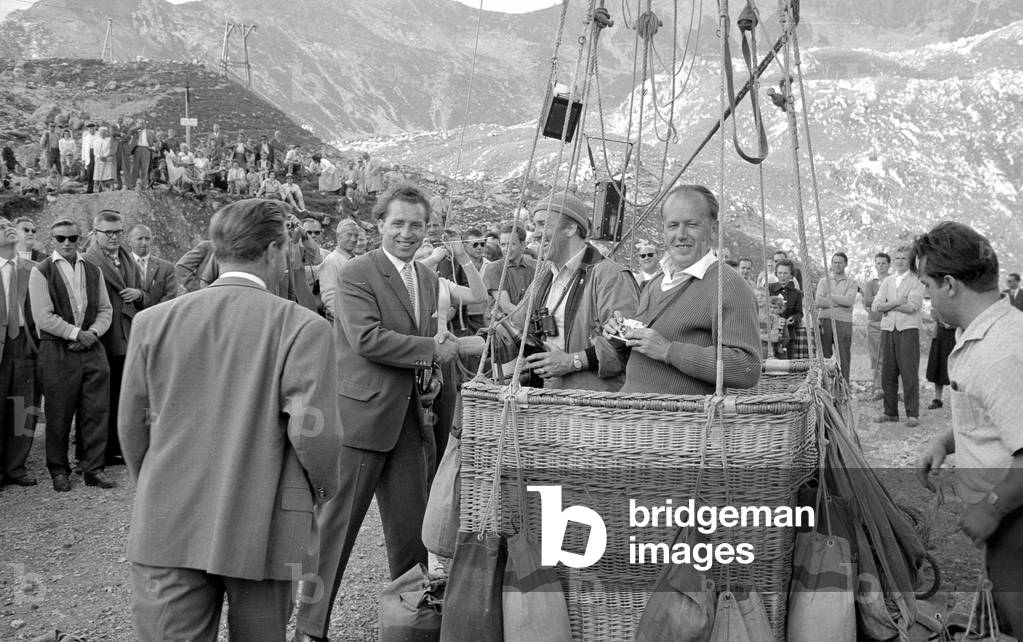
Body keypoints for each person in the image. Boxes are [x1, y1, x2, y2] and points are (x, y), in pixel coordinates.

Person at [119, 199, 342, 642]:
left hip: (168, 521)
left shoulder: (151, 322)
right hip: (265, 523)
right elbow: (314, 433)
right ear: (275, 250)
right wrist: (320, 491)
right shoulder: (302, 326)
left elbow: (132, 426)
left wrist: (156, 484)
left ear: (217, 249)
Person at [293, 185, 459, 642]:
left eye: (417, 225)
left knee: (413, 531)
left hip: (409, 422)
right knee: (334, 530)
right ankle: (310, 627)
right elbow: (367, 339)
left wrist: (430, 377)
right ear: (380, 224)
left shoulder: (427, 279)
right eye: (398, 223)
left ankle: (412, 621)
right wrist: (434, 350)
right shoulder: (356, 273)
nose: (407, 233)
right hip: (362, 421)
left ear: (428, 229)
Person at [914, 221, 1023, 635]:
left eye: (927, 287)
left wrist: (991, 508)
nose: (926, 298)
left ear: (949, 284)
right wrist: (945, 440)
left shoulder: (1001, 350)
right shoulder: (984, 334)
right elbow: (1000, 418)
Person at [461, 191, 640, 391]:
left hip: (591, 409)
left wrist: (573, 361)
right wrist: (458, 346)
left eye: (542, 224)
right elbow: (515, 329)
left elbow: (626, 342)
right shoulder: (544, 275)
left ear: (571, 227)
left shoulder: (611, 276)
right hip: (547, 402)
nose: (534, 232)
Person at [603, 185, 761, 394]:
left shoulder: (730, 286)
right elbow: (639, 358)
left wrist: (668, 351)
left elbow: (746, 368)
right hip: (633, 421)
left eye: (692, 224)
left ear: (714, 229)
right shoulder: (655, 282)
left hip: (678, 424)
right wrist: (620, 337)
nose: (681, 234)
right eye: (673, 225)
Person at [29, 218, 113, 492]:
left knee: (96, 410)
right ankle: (58, 469)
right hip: (57, 350)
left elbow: (105, 309)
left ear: (81, 239)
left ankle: (93, 468)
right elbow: (43, 317)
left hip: (92, 347)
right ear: (51, 239)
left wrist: (94, 334)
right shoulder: (41, 271)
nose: (67, 243)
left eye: (72, 238)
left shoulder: (93, 269)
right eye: (61, 238)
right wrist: (77, 334)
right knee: (59, 413)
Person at [85, 211, 146, 466]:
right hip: (104, 336)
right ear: (96, 233)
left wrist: (139, 294)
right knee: (102, 398)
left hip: (127, 334)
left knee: (123, 394)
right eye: (108, 232)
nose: (113, 237)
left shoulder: (127, 259)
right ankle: (101, 450)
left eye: (118, 232)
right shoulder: (89, 260)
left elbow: (142, 292)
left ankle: (118, 445)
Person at [0, 218, 39, 487]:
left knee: (24, 408)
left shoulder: (33, 269)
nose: (7, 227)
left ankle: (16, 467)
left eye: (8, 223)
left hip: (26, 345)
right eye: (0, 226)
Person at [872, 246, 925, 427]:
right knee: (888, 372)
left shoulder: (916, 281)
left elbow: (913, 306)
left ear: (910, 261)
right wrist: (895, 302)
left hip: (908, 329)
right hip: (888, 329)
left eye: (904, 258)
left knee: (909, 372)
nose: (900, 261)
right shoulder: (887, 281)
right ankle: (890, 412)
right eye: (897, 258)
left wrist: (888, 305)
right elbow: (875, 306)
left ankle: (912, 413)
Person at [815, 251, 858, 383]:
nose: (837, 265)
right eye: (835, 262)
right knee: (824, 355)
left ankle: (844, 384)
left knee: (844, 356)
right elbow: (818, 301)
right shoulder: (823, 281)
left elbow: (849, 301)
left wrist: (831, 296)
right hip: (825, 319)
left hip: (843, 322)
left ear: (845, 264)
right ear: (831, 264)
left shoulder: (852, 282)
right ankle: (824, 383)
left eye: (840, 262)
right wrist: (839, 303)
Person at [482, 222, 536, 317]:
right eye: (503, 245)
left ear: (523, 245)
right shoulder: (493, 269)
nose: (506, 249)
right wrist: (532, 320)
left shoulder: (535, 267)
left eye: (511, 244)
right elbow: (506, 306)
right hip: (504, 326)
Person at [860, 252, 891, 400]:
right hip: (875, 324)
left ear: (888, 264)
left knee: (892, 356)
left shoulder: (893, 281)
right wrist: (886, 299)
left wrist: (878, 300)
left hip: (891, 322)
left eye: (883, 263)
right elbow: (867, 301)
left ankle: (893, 388)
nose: (880, 266)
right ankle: (878, 388)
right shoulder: (871, 283)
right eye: (878, 263)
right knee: (877, 357)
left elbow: (898, 298)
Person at [317, 218, 360, 320]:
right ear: (338, 237)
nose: (353, 239)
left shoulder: (357, 260)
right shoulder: (331, 261)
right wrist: (347, 321)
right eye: (349, 235)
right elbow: (330, 298)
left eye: (356, 235)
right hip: (342, 322)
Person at [128, 225, 176, 307]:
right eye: (140, 239)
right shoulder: (120, 265)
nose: (144, 243)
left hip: (157, 316)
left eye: (147, 239)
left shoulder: (167, 268)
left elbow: (170, 296)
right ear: (129, 242)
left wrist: (152, 314)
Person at [769, 259, 804, 359]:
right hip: (769, 335)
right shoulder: (768, 288)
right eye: (780, 273)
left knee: (787, 364)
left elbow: (799, 313)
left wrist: (793, 319)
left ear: (791, 275)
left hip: (788, 335)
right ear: (776, 274)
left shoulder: (796, 293)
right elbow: (762, 308)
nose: (782, 276)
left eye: (785, 273)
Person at [925, 307, 955, 410]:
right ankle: (938, 398)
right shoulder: (940, 295)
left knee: (956, 367)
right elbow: (933, 312)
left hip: (957, 332)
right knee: (938, 364)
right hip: (941, 331)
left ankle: (958, 400)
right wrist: (943, 321)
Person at [92, 126, 116, 192]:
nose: (102, 134)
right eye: (101, 132)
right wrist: (99, 156)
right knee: (100, 175)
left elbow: (110, 149)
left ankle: (111, 188)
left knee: (109, 174)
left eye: (104, 132)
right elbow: (95, 151)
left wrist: (105, 156)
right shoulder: (96, 140)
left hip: (107, 159)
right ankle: (102, 188)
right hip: (99, 159)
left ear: (106, 133)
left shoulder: (109, 140)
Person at [81, 123, 97, 194]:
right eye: (90, 129)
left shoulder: (98, 136)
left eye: (92, 129)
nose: (91, 130)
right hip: (89, 156)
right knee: (90, 173)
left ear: (94, 128)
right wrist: (83, 159)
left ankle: (99, 189)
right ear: (88, 130)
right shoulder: (86, 137)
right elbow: (83, 149)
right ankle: (90, 189)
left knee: (97, 172)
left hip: (96, 155)